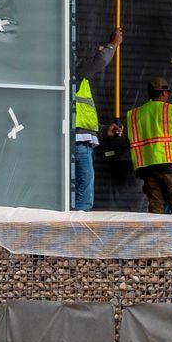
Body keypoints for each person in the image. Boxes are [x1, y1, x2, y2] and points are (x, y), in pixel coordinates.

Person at [70, 32, 120, 210]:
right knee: (84, 185)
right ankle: (80, 217)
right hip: (78, 139)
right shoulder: (73, 70)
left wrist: (103, 129)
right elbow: (100, 62)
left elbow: (80, 115)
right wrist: (113, 45)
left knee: (83, 182)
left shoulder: (79, 82)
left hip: (82, 137)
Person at [127, 74, 172, 215]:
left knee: (155, 207)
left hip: (147, 167)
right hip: (169, 163)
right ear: (164, 93)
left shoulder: (135, 114)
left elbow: (129, 140)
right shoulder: (169, 110)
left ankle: (157, 237)